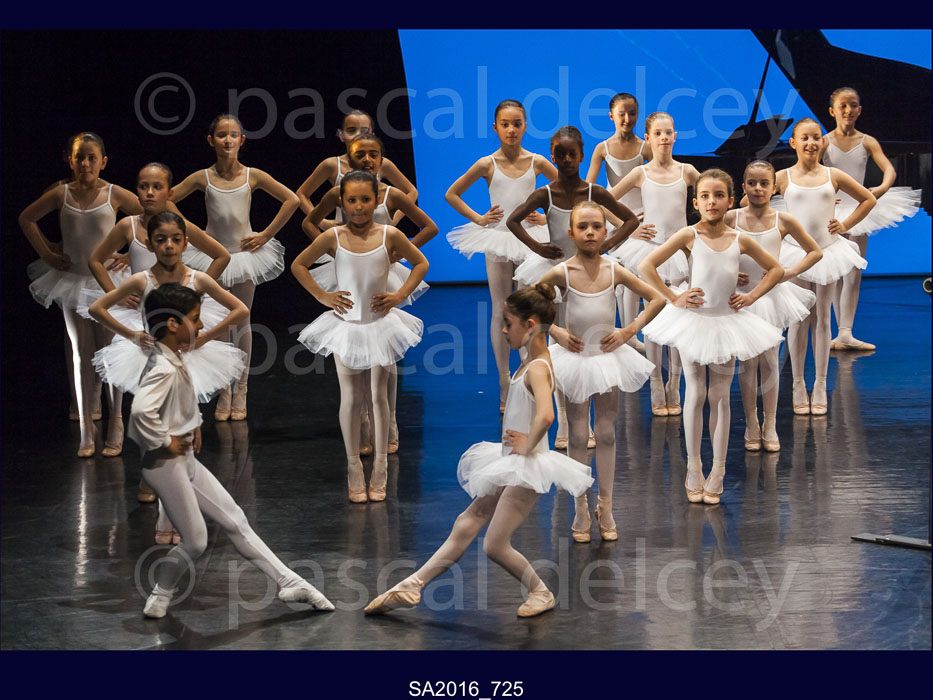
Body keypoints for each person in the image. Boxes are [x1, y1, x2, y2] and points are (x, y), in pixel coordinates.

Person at [363, 283, 593, 618]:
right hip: (511, 462)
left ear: (529, 325)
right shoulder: (531, 362)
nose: (503, 330)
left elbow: (547, 414)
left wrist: (528, 443)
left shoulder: (538, 367)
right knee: (466, 521)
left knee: (494, 545)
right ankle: (412, 585)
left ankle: (541, 592)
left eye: (508, 323)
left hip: (526, 467)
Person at [129, 283, 334, 618]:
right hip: (165, 465)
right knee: (195, 542)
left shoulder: (172, 356)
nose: (201, 325)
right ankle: (159, 596)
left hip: (182, 461)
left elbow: (175, 400)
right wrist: (167, 440)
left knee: (235, 520)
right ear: (173, 324)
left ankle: (290, 581)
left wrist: (192, 424)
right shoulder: (162, 366)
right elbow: (141, 412)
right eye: (195, 318)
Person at [639, 169, 785, 504]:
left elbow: (775, 269)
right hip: (694, 321)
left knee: (719, 395)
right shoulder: (688, 235)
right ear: (695, 203)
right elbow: (647, 266)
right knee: (695, 392)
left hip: (726, 323)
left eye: (719, 195)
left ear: (731, 201)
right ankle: (693, 467)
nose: (711, 202)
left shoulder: (739, 238)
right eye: (704, 196)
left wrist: (751, 296)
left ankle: (718, 470)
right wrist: (673, 297)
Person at [292, 171, 428, 503]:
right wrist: (323, 296)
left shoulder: (389, 234)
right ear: (341, 201)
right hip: (347, 327)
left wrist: (399, 295)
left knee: (379, 397)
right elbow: (299, 265)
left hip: (380, 325)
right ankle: (354, 466)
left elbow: (420, 263)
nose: (358, 206)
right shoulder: (333, 236)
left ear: (376, 200)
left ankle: (380, 466)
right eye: (351, 200)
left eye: (366, 199)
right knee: (351, 398)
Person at [302, 133, 437, 454]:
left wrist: (398, 254)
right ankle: (363, 423)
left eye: (373, 154)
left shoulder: (391, 194)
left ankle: (389, 425)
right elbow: (310, 223)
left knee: (383, 350)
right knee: (355, 352)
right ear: (348, 157)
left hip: (384, 274)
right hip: (352, 271)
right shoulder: (339, 193)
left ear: (382, 159)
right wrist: (335, 251)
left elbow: (429, 227)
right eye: (360, 154)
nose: (367, 160)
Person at [507, 125, 639, 448]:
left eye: (572, 154)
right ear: (552, 157)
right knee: (561, 348)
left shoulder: (594, 192)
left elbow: (631, 220)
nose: (566, 160)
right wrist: (538, 247)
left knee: (586, 344)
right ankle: (567, 421)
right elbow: (512, 220)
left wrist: (606, 245)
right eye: (560, 154)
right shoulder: (545, 194)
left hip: (589, 274)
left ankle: (584, 421)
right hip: (556, 275)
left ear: (581, 156)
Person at [537, 201, 663, 542]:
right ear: (571, 233)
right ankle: (580, 505)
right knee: (578, 435)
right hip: (575, 359)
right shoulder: (561, 273)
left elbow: (656, 299)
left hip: (608, 358)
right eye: (583, 227)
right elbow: (526, 306)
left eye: (596, 226)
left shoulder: (614, 269)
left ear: (606, 232)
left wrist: (628, 331)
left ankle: (605, 505)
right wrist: (555, 330)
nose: (590, 232)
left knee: (606, 433)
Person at [19, 132, 143, 457]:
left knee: (110, 352)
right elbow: (27, 218)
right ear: (70, 161)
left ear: (103, 162)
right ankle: (87, 428)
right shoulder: (61, 194)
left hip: (107, 283)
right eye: (79, 158)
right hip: (73, 281)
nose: (85, 164)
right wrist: (47, 254)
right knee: (79, 353)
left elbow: (149, 218)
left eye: (91, 158)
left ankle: (116, 421)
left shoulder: (113, 193)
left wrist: (130, 255)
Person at [172, 114, 300, 421]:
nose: (227, 140)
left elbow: (292, 200)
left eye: (233, 135)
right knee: (217, 322)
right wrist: (191, 232)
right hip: (212, 256)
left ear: (242, 140)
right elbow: (167, 199)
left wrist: (265, 234)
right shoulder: (202, 177)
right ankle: (223, 390)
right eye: (221, 135)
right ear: (211, 140)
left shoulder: (252, 175)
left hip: (243, 257)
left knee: (242, 320)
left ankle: (241, 387)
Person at [776, 118, 875, 415]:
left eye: (816, 137)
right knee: (798, 319)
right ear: (793, 143)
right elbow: (751, 203)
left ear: (823, 142)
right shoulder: (782, 177)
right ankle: (797, 383)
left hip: (826, 252)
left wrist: (844, 224)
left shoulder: (833, 175)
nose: (811, 143)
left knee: (821, 317)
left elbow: (868, 200)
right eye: (805, 138)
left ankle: (820, 384)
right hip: (795, 253)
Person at [608, 111, 701, 417]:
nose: (664, 138)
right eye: (658, 133)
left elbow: (713, 196)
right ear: (648, 139)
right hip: (649, 251)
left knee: (679, 314)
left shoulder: (687, 171)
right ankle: (656, 382)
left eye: (668, 132)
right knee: (654, 314)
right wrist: (629, 228)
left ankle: (674, 382)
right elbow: (605, 201)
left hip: (680, 251)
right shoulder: (640, 173)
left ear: (675, 136)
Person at [727, 161, 822, 453]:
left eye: (764, 183)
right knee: (748, 364)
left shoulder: (784, 220)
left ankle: (770, 423)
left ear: (774, 188)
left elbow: (815, 252)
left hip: (770, 298)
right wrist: (728, 273)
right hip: (741, 299)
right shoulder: (731, 218)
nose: (758, 188)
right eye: (752, 183)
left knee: (769, 362)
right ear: (743, 187)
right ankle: (751, 422)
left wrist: (788, 272)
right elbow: (708, 247)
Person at [821, 87, 921, 351]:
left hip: (859, 210)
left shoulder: (867, 141)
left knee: (853, 272)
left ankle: (846, 331)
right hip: (832, 211)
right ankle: (838, 332)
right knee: (835, 272)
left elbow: (889, 169)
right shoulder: (824, 142)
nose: (848, 110)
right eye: (843, 106)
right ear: (832, 111)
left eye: (853, 105)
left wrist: (881, 189)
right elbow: (811, 170)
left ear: (860, 110)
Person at [585, 92, 653, 349]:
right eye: (622, 114)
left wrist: (641, 222)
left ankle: (636, 333)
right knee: (621, 279)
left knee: (639, 277)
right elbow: (590, 193)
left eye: (632, 113)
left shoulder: (645, 148)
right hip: (616, 219)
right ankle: (627, 335)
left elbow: (657, 182)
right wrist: (622, 225)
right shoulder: (602, 149)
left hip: (643, 219)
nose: (627, 118)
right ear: (611, 116)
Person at [296, 109, 417, 225]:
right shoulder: (332, 165)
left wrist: (393, 218)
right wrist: (322, 222)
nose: (358, 135)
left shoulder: (382, 164)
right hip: (345, 233)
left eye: (365, 131)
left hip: (379, 233)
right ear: (341, 135)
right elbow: (302, 193)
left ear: (372, 136)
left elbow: (411, 192)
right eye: (351, 130)